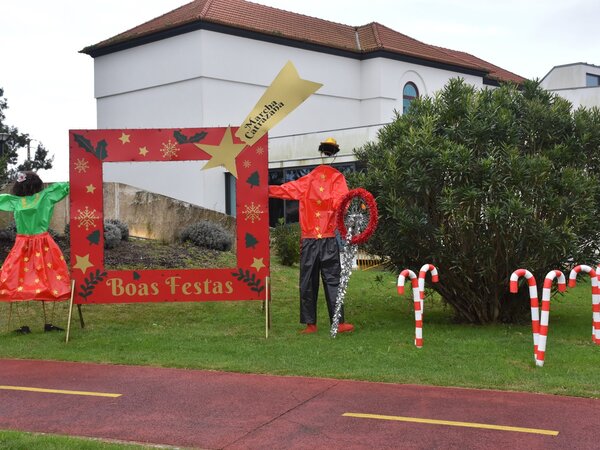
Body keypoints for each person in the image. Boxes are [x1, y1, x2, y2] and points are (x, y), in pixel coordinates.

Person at [269, 138, 354, 334]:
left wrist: (263, 190)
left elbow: (285, 190)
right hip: (326, 238)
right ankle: (337, 323)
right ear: (334, 155)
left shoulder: (309, 180)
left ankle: (311, 324)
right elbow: (343, 203)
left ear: (321, 153)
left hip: (311, 239)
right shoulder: (337, 179)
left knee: (308, 281)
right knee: (332, 280)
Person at [0, 171, 70, 333]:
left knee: (18, 280)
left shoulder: (14, 201)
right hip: (43, 244)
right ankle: (48, 323)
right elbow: (66, 186)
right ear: (37, 184)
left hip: (22, 245)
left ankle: (24, 325)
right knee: (50, 278)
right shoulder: (47, 196)